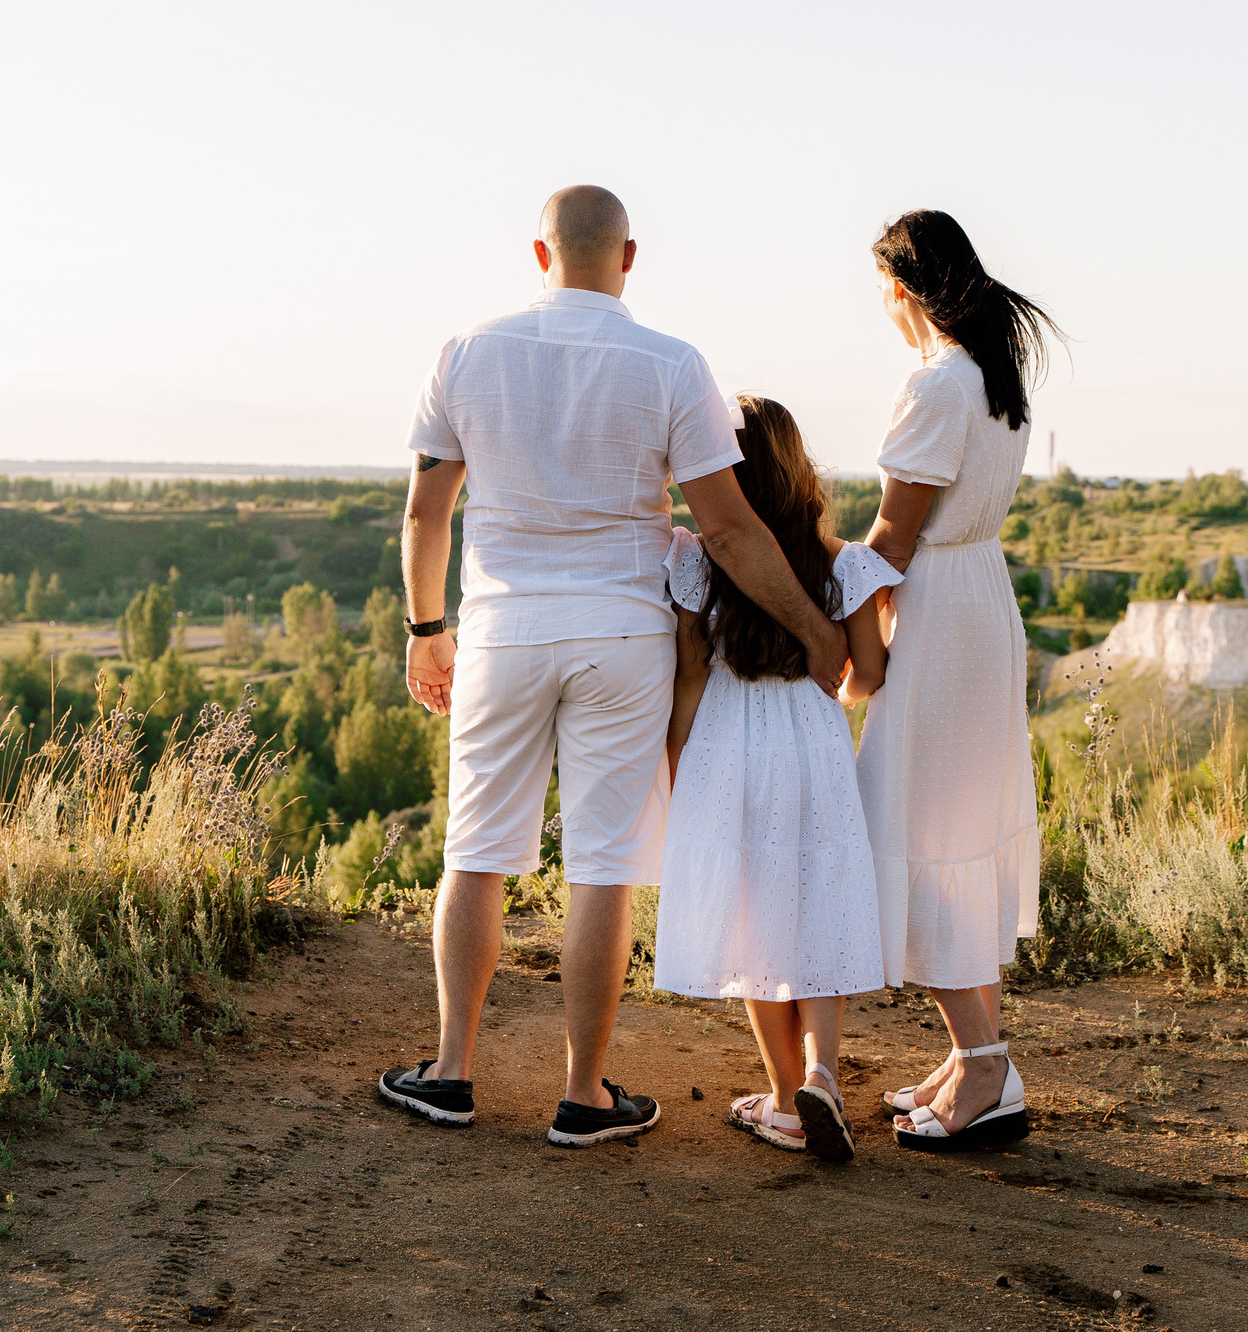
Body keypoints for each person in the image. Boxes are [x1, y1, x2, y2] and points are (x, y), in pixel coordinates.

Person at [380, 185, 851, 1148]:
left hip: (504, 627)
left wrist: (428, 628)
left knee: (475, 851)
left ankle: (451, 1072)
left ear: (540, 254)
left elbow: (428, 511)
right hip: (625, 634)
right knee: (602, 867)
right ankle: (584, 1095)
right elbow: (725, 526)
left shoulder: (466, 352)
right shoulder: (673, 365)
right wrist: (816, 627)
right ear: (627, 257)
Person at [853, 209, 1059, 1152]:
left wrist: (829, 621)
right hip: (980, 598)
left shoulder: (936, 382)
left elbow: (891, 541)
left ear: (903, 290)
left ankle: (984, 1062)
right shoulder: (995, 379)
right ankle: (976, 1052)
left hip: (939, 610)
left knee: (919, 828)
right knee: (959, 830)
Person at [650, 396, 901, 1163]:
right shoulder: (842, 564)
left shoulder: (699, 561)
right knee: (818, 898)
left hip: (729, 744)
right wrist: (836, 684)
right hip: (812, 746)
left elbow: (690, 675)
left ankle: (786, 1098)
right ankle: (823, 1070)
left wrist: (678, 767)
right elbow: (869, 675)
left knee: (756, 913)